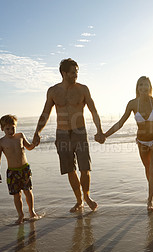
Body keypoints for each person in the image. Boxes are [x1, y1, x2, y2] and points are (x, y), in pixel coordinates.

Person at [33, 58, 104, 212]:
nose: (75, 76)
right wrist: (37, 132)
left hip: (80, 132)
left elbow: (93, 111)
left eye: (76, 73)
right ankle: (79, 201)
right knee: (69, 169)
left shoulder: (83, 89)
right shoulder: (53, 91)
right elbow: (45, 113)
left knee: (85, 168)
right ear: (64, 73)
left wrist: (99, 130)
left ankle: (86, 196)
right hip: (62, 133)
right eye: (72, 73)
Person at [103, 76, 153, 211]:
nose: (143, 87)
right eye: (141, 85)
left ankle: (150, 199)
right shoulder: (132, 104)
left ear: (150, 87)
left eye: (146, 85)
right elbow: (121, 123)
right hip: (142, 142)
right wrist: (105, 135)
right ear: (137, 88)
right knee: (147, 168)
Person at [0, 114, 39, 224]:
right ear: (2, 129)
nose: (10, 131)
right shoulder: (0, 142)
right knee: (16, 194)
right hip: (12, 172)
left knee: (28, 191)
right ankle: (20, 215)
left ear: (16, 126)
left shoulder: (20, 136)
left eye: (13, 127)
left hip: (24, 169)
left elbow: (29, 147)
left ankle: (31, 211)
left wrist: (35, 143)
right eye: (7, 129)